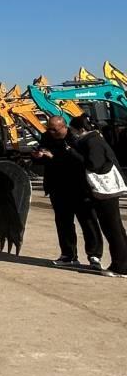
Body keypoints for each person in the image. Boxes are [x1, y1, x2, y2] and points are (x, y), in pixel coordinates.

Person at [33, 115, 103, 269]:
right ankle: (68, 255)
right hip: (57, 186)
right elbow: (42, 158)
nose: (51, 132)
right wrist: (38, 156)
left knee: (88, 221)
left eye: (54, 129)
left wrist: (54, 156)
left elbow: (83, 161)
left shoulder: (76, 137)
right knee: (64, 223)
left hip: (79, 186)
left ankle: (94, 255)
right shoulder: (46, 137)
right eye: (49, 129)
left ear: (63, 127)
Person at [69, 115, 127, 277]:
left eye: (73, 130)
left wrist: (73, 153)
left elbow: (94, 164)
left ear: (81, 130)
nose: (72, 133)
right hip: (106, 191)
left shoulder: (92, 142)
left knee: (112, 228)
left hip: (105, 191)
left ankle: (120, 266)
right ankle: (122, 262)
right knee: (116, 227)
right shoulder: (94, 139)